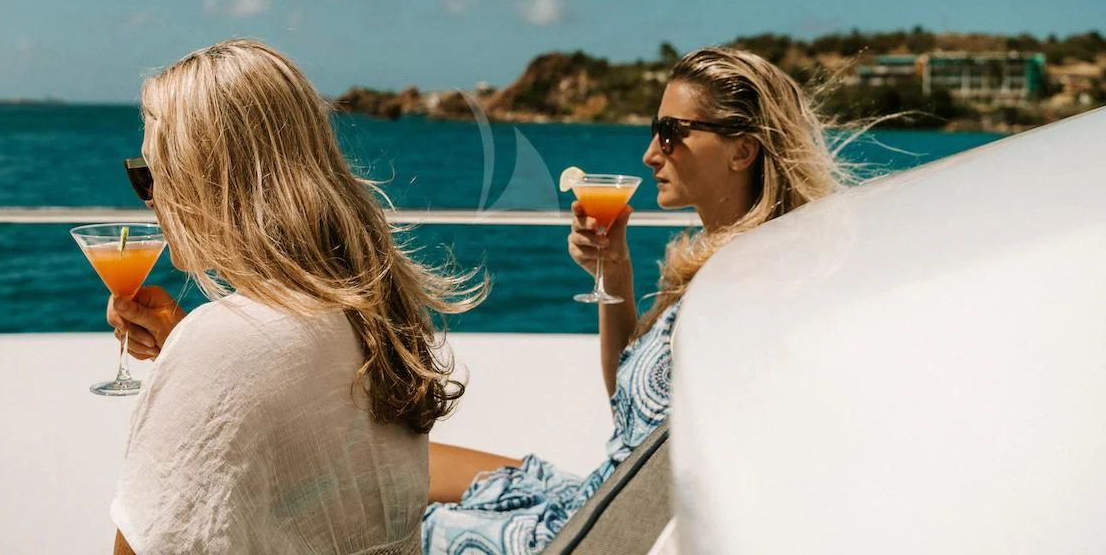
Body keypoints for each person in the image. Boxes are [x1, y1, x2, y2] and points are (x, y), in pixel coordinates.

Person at [421, 46, 851, 553]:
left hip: (597, 525)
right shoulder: (733, 263)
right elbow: (633, 411)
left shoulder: (744, 290)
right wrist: (616, 273)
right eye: (655, 128)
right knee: (391, 469)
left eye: (672, 133)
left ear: (742, 151)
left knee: (381, 506)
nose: (650, 153)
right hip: (602, 493)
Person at [104, 39, 483, 555]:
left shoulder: (220, 345)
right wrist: (186, 353)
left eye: (149, 175)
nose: (149, 199)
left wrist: (197, 358)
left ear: (206, 175)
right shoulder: (372, 313)